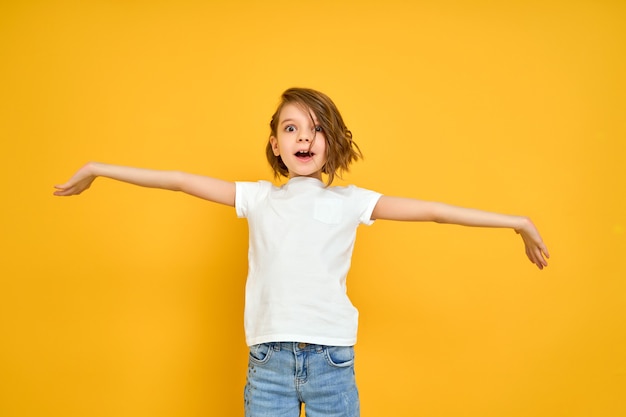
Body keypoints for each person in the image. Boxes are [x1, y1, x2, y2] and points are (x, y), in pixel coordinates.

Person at [54, 87, 549, 417]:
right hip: (267, 362)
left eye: (315, 128)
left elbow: (436, 211)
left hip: (332, 362)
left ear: (331, 144)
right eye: (291, 128)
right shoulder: (258, 198)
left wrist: (517, 222)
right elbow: (180, 181)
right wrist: (99, 167)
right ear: (275, 144)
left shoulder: (353, 203)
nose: (304, 137)